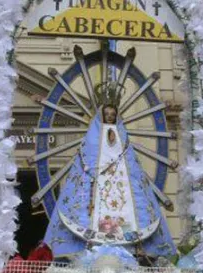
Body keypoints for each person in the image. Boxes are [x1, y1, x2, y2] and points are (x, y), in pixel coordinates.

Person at [43, 81, 176, 260]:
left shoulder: (122, 137)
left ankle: (130, 241)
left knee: (128, 202)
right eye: (107, 114)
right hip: (96, 183)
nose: (111, 117)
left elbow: (131, 164)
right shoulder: (92, 138)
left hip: (121, 182)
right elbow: (88, 157)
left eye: (113, 115)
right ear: (102, 115)